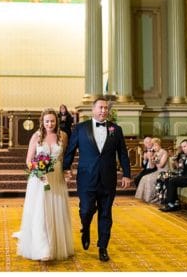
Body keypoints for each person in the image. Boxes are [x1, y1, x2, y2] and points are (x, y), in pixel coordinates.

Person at [62, 97, 131, 263]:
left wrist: (127, 174)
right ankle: (85, 228)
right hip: (86, 178)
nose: (103, 111)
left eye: (106, 108)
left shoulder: (116, 129)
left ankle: (103, 247)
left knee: (106, 213)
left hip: (108, 178)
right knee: (86, 210)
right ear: (93, 110)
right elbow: (70, 151)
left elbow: (122, 153)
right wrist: (65, 168)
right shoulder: (79, 128)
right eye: (100, 107)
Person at [15, 109, 74, 261]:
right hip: (40, 180)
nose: (49, 124)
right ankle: (42, 248)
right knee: (41, 211)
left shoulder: (63, 136)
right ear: (42, 122)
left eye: (52, 121)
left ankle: (56, 245)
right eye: (47, 121)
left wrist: (68, 170)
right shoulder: (37, 136)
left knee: (56, 210)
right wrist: (38, 171)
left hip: (56, 178)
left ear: (56, 121)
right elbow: (28, 160)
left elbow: (65, 157)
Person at [135, 137, 170, 203]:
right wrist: (149, 158)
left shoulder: (164, 152)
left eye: (154, 145)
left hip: (164, 172)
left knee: (149, 179)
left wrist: (154, 160)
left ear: (158, 144)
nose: (153, 148)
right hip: (157, 171)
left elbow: (161, 165)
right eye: (153, 146)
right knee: (144, 178)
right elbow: (151, 166)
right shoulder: (155, 153)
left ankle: (152, 198)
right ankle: (145, 198)